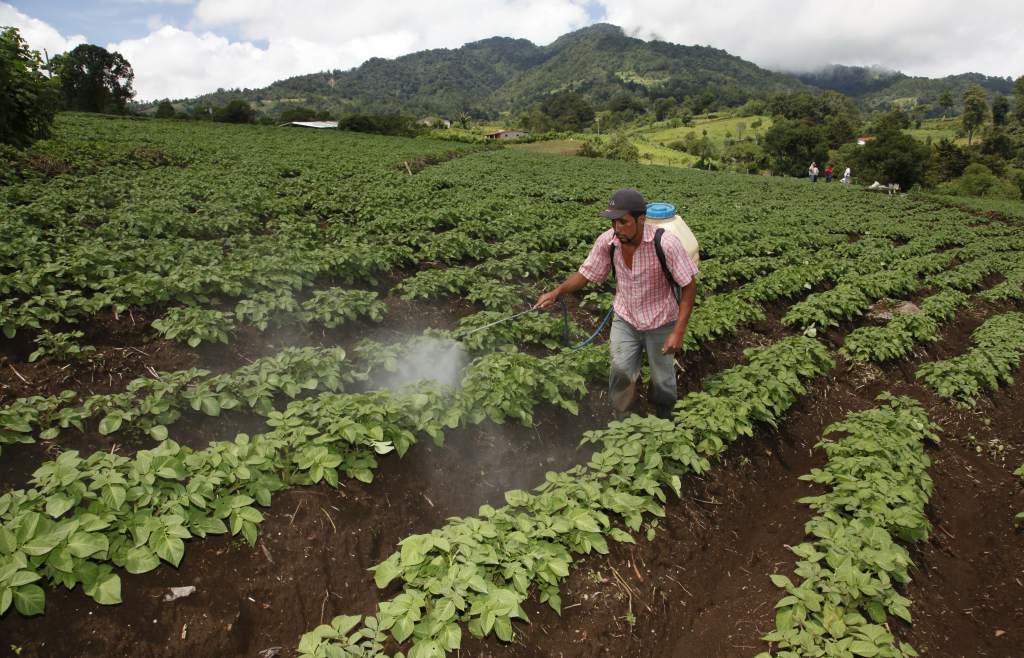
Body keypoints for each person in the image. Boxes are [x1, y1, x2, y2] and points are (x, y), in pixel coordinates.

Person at [534, 188, 698, 420]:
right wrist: (556, 292)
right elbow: (587, 273)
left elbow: (689, 286)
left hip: (661, 322)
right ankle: (622, 423)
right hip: (626, 319)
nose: (617, 228)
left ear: (641, 220)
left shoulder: (666, 244)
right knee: (620, 371)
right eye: (614, 222)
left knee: (662, 379)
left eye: (623, 222)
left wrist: (678, 332)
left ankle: (664, 419)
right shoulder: (608, 242)